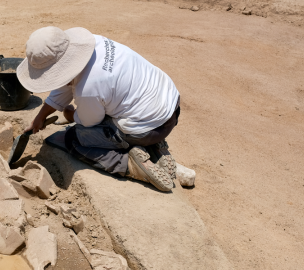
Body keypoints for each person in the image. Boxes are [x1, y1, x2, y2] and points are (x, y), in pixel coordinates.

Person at [16, 26, 181, 192]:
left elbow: (89, 122)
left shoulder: (88, 89)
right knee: (110, 106)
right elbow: (66, 81)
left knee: (75, 138)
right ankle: (155, 148)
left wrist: (72, 115)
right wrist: (40, 117)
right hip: (168, 103)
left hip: (146, 127)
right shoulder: (92, 45)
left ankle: (130, 165)